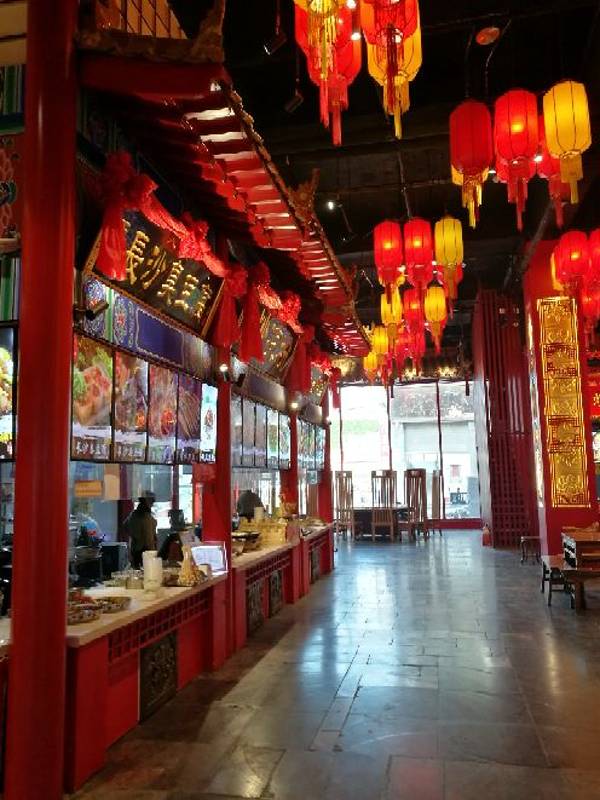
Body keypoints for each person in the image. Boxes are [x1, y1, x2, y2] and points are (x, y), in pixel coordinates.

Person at [124, 490, 157, 568]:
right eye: (151, 500)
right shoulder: (136, 515)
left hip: (147, 551)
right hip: (139, 551)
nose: (152, 503)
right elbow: (128, 528)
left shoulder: (148, 515)